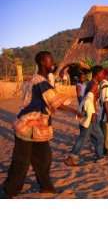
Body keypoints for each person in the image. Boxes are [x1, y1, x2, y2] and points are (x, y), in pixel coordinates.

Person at [1, 51, 79, 198]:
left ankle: (46, 187)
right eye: (50, 61)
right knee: (22, 161)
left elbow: (43, 99)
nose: (53, 63)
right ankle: (10, 190)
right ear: (43, 62)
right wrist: (75, 111)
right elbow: (55, 101)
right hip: (28, 127)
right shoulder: (40, 82)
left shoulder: (36, 80)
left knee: (44, 159)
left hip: (37, 128)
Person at [64, 83, 105, 166]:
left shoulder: (87, 96)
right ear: (91, 88)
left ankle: (99, 156)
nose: (96, 89)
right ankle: (72, 157)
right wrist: (93, 115)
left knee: (96, 137)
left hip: (86, 121)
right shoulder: (89, 97)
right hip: (88, 121)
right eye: (95, 87)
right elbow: (89, 109)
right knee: (87, 138)